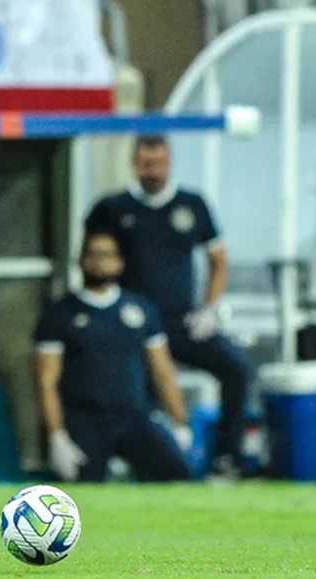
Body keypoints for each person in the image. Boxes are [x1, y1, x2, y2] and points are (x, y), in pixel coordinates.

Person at [85, 135, 249, 479]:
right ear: (134, 163)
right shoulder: (113, 209)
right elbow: (92, 257)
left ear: (170, 162)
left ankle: (227, 457)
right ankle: (139, 465)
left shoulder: (192, 205)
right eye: (145, 164)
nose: (152, 171)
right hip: (133, 327)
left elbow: (218, 261)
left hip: (182, 322)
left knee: (237, 368)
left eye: (158, 163)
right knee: (136, 398)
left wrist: (208, 309)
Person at [34, 227, 192, 483]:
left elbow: (162, 369)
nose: (100, 262)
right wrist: (56, 436)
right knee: (81, 487)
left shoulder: (141, 309)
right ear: (82, 261)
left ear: (120, 262)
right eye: (93, 255)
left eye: (107, 255)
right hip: (85, 422)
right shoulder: (60, 315)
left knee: (177, 474)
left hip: (135, 416)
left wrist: (180, 421)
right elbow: (46, 381)